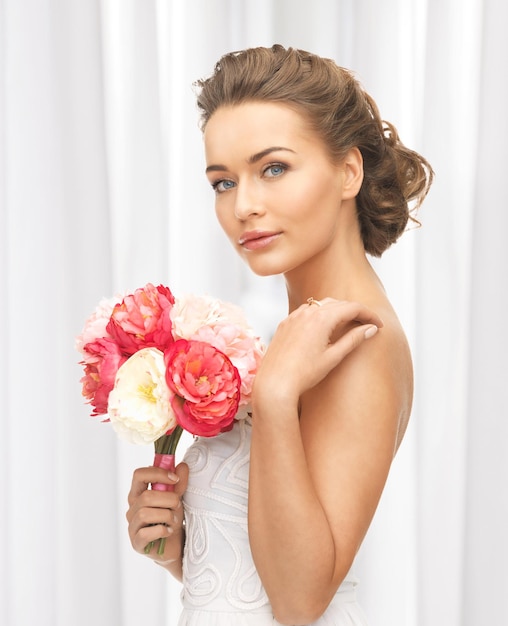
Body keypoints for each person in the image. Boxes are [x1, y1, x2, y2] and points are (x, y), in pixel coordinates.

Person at [126, 44, 433, 625]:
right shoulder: (305, 336)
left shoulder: (358, 340)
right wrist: (181, 545)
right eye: (222, 182)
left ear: (348, 171)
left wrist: (272, 397)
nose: (244, 206)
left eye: (273, 169)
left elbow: (299, 604)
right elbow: (265, 577)